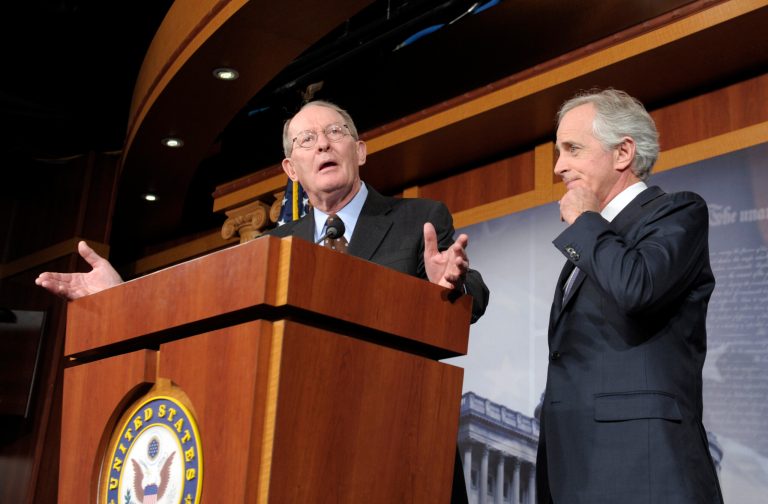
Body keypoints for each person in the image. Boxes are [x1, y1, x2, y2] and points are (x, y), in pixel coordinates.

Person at [36, 100, 489, 502]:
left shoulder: (419, 220)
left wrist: (445, 285)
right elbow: (203, 312)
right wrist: (120, 299)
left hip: (398, 446)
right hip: (300, 454)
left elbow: (474, 295)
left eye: (335, 133)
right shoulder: (269, 249)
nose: (323, 146)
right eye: (306, 140)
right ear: (292, 169)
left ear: (360, 150)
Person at [536, 88, 723, 503]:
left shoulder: (678, 212)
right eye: (558, 151)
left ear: (622, 153)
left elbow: (637, 288)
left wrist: (585, 220)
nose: (558, 166)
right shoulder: (595, 239)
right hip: (577, 470)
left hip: (641, 468)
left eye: (572, 149)